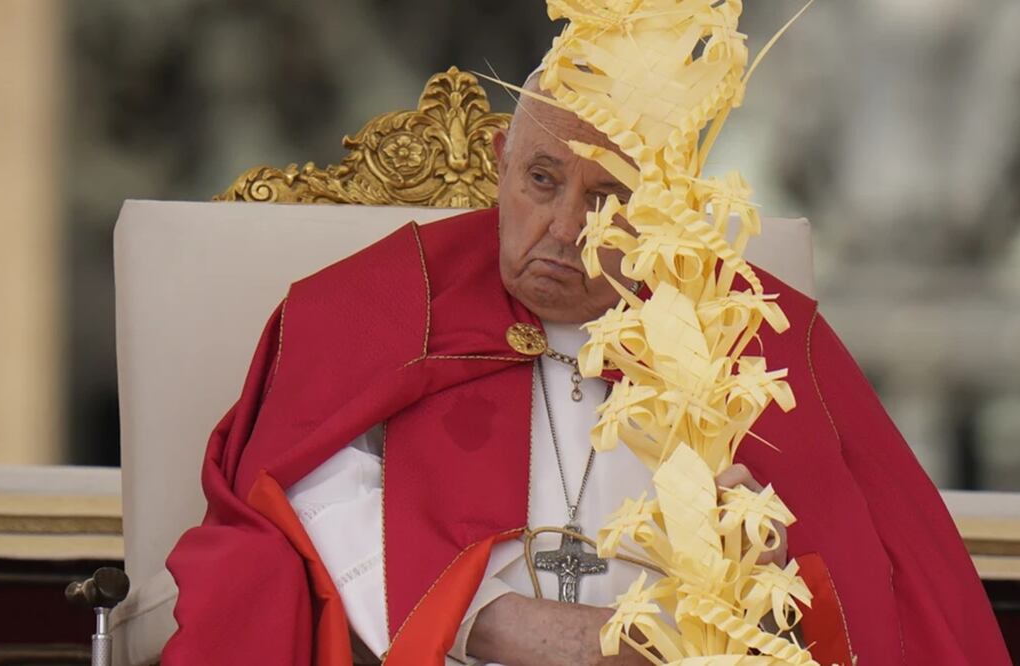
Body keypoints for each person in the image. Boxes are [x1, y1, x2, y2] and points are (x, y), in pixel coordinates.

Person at [161, 71, 1010, 666]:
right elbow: (300, 492)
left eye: (608, 200)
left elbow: (866, 574)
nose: (565, 228)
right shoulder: (390, 306)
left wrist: (762, 570)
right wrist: (483, 615)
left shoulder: (753, 339)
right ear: (501, 161)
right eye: (541, 180)